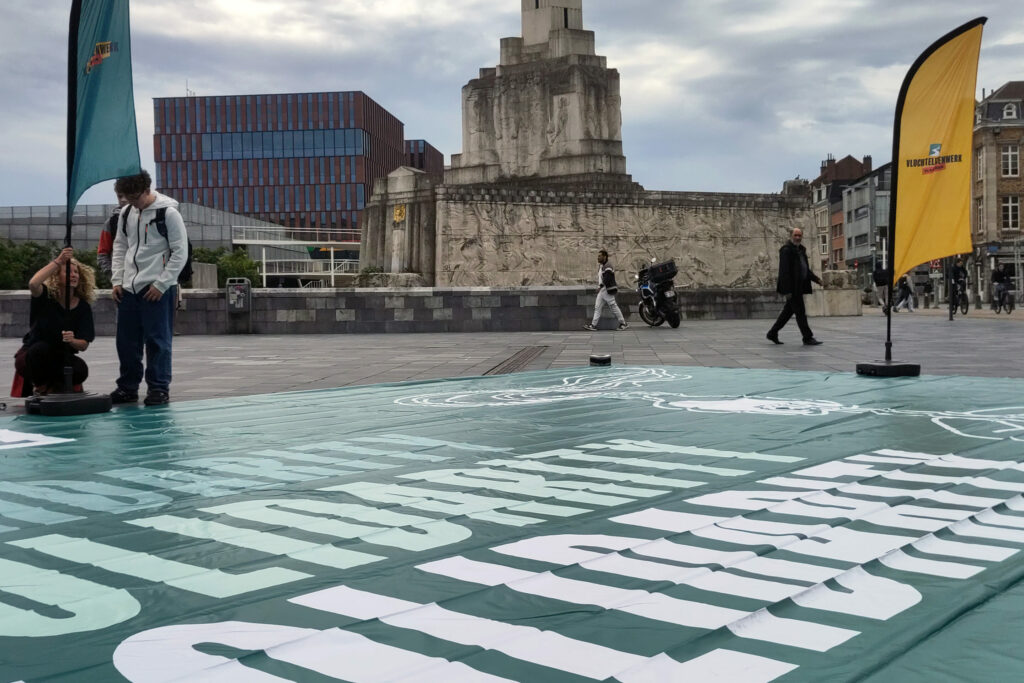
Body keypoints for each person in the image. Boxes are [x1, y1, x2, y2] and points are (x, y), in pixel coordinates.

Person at [110, 169, 188, 406]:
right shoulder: (126, 213)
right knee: (126, 341)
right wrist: (117, 280)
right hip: (129, 287)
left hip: (156, 287)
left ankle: (158, 388)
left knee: (158, 341)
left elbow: (180, 251)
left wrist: (162, 283)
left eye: (134, 197)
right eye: (124, 197)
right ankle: (127, 387)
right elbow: (120, 247)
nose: (130, 202)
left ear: (147, 190)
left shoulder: (169, 213)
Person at [15, 247, 96, 395]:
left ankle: (56, 387)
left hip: (61, 355)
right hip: (34, 354)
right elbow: (33, 284)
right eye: (68, 271)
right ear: (57, 276)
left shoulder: (83, 306)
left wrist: (73, 341)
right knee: (41, 350)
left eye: (76, 272)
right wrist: (59, 261)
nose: (73, 275)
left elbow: (84, 344)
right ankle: (40, 387)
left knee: (80, 369)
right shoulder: (45, 297)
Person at [766, 227, 824, 345]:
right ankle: (807, 337)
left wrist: (817, 280)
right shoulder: (786, 250)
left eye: (799, 235)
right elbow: (784, 272)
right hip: (792, 289)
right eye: (795, 235)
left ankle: (772, 333)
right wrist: (787, 291)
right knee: (800, 312)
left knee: (787, 313)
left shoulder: (801, 250)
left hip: (799, 287)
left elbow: (805, 270)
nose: (797, 237)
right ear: (791, 236)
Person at [584, 249, 629, 331]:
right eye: (598, 256)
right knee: (597, 307)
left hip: (606, 290)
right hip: (603, 290)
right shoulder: (602, 266)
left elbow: (607, 278)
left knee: (613, 306)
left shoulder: (608, 266)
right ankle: (593, 325)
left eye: (599, 256)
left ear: (604, 257)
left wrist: (600, 286)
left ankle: (623, 323)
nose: (598, 258)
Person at [97, 189, 128, 276]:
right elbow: (102, 253)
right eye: (120, 196)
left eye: (126, 195)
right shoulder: (111, 222)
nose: (123, 200)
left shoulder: (148, 218)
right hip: (122, 280)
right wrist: (113, 275)